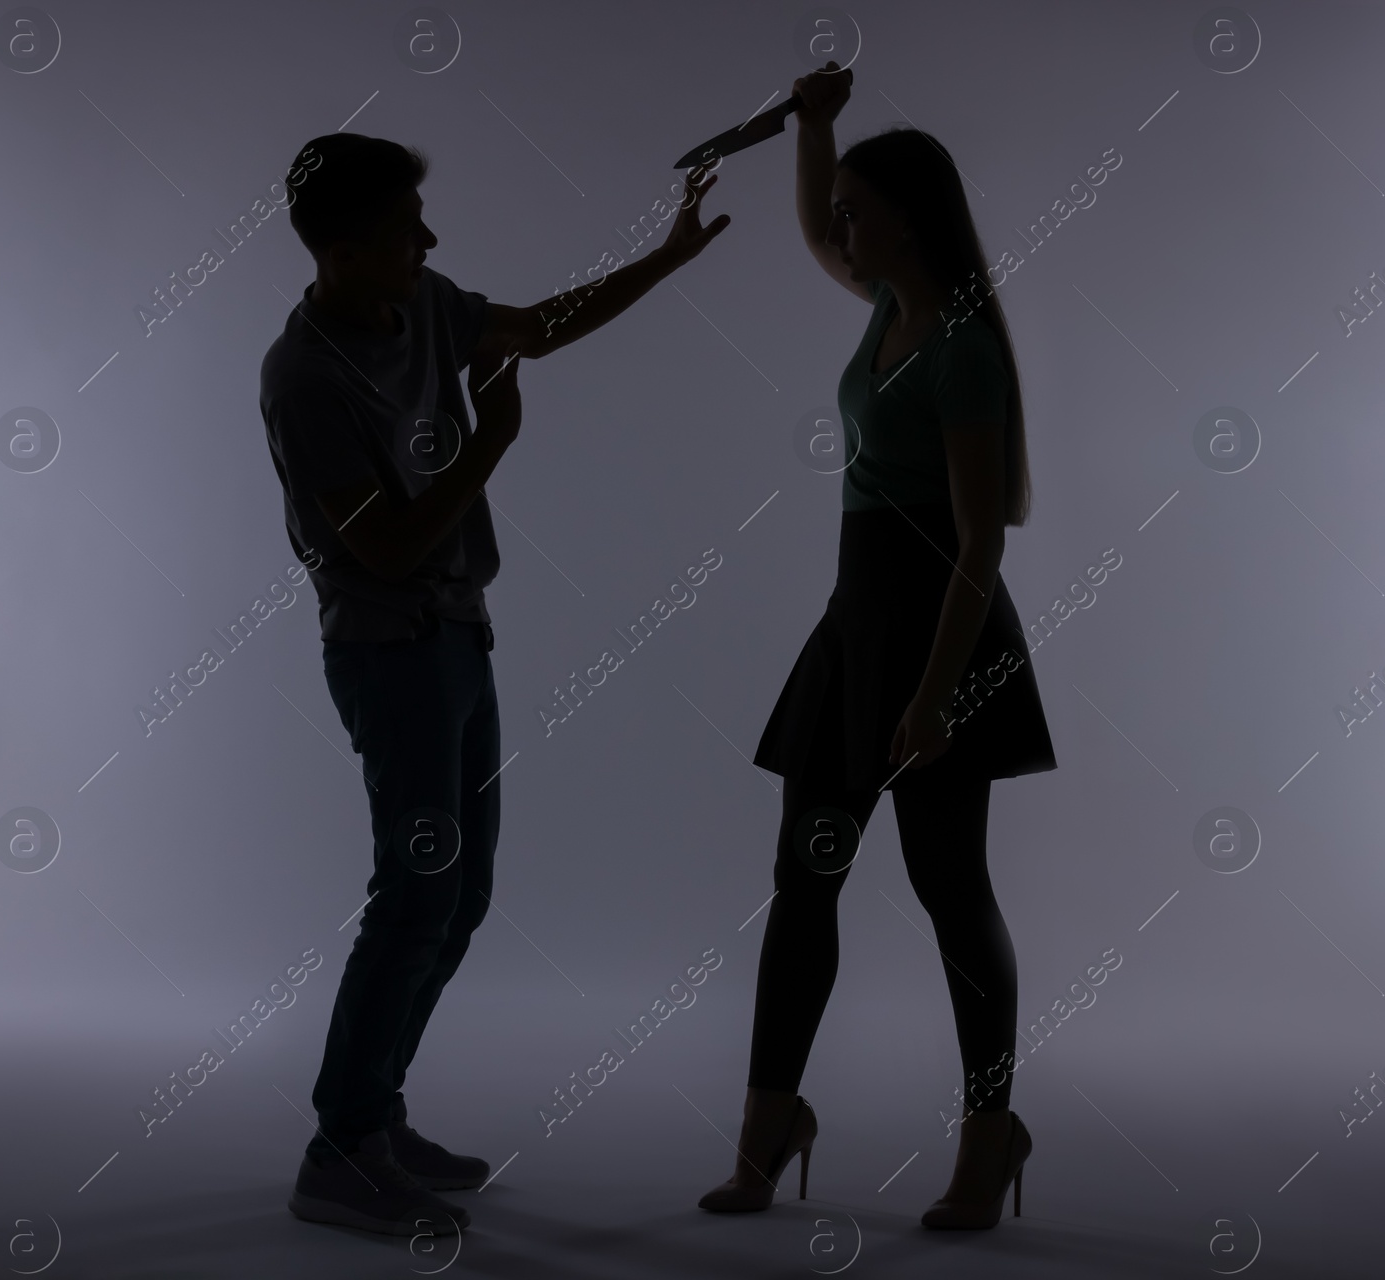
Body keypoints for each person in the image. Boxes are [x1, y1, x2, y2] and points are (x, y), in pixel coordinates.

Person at [259, 132, 729, 1237]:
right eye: (402, 228)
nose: (428, 239)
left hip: (460, 636)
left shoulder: (420, 302)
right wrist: (491, 444)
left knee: (458, 898)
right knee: (413, 893)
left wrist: (665, 259)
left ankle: (374, 1115)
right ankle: (339, 1149)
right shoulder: (303, 375)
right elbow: (380, 549)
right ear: (336, 246)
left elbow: (536, 326)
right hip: (390, 650)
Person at [695, 63, 1056, 1229]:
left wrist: (939, 695)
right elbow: (812, 226)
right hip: (854, 625)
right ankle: (764, 1132)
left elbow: (978, 547)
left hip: (940, 631)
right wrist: (817, 129)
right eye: (844, 206)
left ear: (907, 214)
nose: (839, 225)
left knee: (952, 893)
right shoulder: (884, 306)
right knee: (803, 878)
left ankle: (990, 1136)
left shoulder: (960, 345)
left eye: (858, 206)